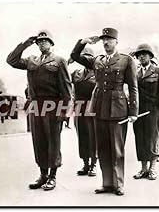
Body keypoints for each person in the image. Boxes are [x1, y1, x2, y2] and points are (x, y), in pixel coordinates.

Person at [71, 28, 138, 196]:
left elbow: (133, 87)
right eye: (103, 40)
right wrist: (83, 41)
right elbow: (74, 56)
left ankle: (119, 184)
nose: (106, 42)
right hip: (99, 108)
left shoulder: (126, 60)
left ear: (116, 41)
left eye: (109, 39)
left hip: (118, 109)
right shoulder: (97, 61)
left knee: (117, 149)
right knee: (102, 148)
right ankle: (107, 183)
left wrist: (133, 112)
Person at [7, 30, 72, 191]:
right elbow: (11, 60)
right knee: (39, 141)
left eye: (45, 41)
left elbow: (67, 89)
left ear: (51, 44)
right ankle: (43, 175)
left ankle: (53, 176)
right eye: (39, 41)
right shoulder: (32, 60)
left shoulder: (59, 61)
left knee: (53, 142)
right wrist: (25, 44)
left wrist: (64, 112)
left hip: (53, 106)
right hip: (36, 106)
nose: (42, 43)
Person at [132, 44, 159, 180]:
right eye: (139, 55)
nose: (141, 56)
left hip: (153, 111)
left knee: (152, 139)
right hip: (138, 111)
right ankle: (143, 169)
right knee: (140, 139)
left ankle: (152, 168)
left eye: (144, 54)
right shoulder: (135, 73)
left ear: (150, 56)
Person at [69, 47, 98, 177]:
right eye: (83, 57)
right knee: (82, 136)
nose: (85, 60)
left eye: (88, 57)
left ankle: (93, 164)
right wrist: (68, 62)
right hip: (79, 108)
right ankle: (85, 163)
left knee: (93, 136)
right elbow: (66, 84)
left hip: (93, 108)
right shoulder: (76, 73)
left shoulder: (98, 73)